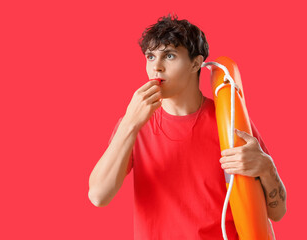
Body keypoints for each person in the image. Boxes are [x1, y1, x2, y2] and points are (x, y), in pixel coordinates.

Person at [88, 14, 286, 239]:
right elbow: (98, 196)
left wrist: (267, 169)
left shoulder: (229, 120)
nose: (157, 68)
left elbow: (277, 212)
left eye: (169, 55)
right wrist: (129, 124)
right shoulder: (134, 125)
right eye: (150, 57)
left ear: (196, 63)